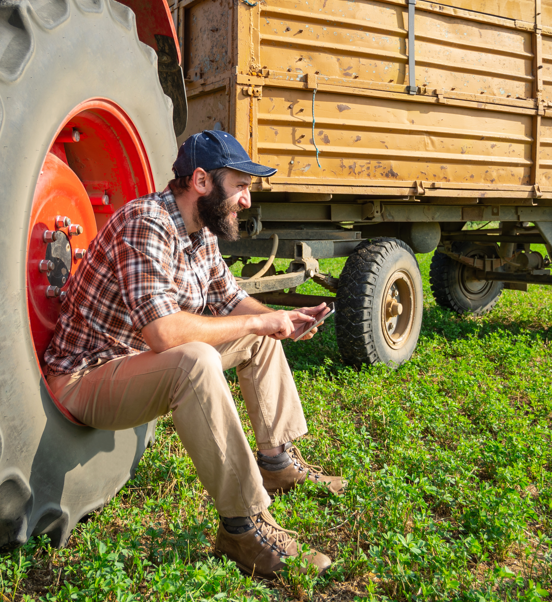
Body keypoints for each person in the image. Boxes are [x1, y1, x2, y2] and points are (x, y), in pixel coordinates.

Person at [44, 130, 344, 579]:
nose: (246, 200)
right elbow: (165, 334)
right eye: (240, 186)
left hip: (136, 360)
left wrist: (278, 318)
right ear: (201, 181)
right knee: (196, 359)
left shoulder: (201, 232)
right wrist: (257, 321)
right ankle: (243, 529)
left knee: (259, 334)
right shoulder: (144, 223)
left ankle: (278, 462)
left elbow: (232, 300)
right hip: (85, 378)